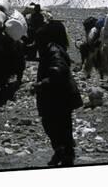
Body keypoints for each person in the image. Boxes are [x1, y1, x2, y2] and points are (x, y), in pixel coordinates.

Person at [32, 21, 83, 167]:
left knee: (53, 124)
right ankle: (64, 152)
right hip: (61, 94)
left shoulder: (52, 49)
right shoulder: (56, 47)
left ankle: (64, 153)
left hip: (56, 95)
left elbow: (58, 69)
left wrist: (42, 83)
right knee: (62, 125)